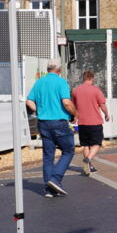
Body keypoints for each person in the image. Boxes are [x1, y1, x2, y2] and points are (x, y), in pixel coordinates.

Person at [25, 61, 78, 198]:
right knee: (68, 150)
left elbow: (29, 101)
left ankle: (49, 189)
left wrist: (40, 110)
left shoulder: (39, 82)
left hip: (43, 122)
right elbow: (66, 102)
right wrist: (75, 114)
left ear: (48, 69)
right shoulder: (61, 82)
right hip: (59, 122)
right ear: (59, 70)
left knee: (48, 156)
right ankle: (55, 179)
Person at [71, 70, 109, 176]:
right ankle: (88, 159)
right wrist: (107, 114)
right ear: (92, 78)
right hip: (94, 122)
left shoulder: (76, 90)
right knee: (96, 143)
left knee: (86, 145)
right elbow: (102, 105)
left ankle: (89, 166)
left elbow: (73, 106)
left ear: (83, 78)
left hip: (82, 123)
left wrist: (74, 117)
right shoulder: (96, 90)